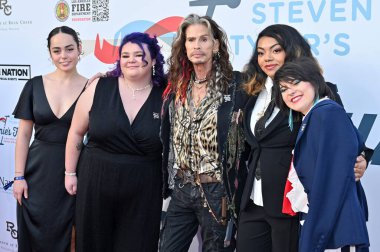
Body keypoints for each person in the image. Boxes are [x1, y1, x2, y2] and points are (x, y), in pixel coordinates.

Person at [236, 24, 371, 252]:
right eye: (261, 52)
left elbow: (344, 138)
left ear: (291, 50)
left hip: (289, 205)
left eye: (275, 50)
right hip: (252, 201)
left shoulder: (315, 90)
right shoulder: (251, 93)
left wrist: (362, 159)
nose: (267, 57)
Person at [64, 32, 166, 252]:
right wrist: (70, 173)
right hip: (95, 181)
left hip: (144, 188)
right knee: (93, 242)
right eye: (125, 55)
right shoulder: (99, 87)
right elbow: (75, 132)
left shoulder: (167, 96)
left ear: (154, 59)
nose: (131, 59)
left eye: (139, 55)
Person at [159, 14, 247, 252]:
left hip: (217, 191)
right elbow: (136, 81)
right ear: (184, 46)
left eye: (204, 39)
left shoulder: (237, 85)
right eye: (191, 40)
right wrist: (108, 77)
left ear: (216, 45)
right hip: (181, 188)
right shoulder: (176, 86)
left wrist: (361, 154)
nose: (197, 45)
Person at [272, 56, 370, 251]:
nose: (290, 91)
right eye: (283, 88)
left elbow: (331, 183)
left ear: (315, 81)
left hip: (335, 230)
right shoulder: (315, 116)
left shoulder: (326, 114)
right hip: (328, 227)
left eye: (296, 82)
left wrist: (313, 239)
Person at [12, 26, 87, 252]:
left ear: (79, 49)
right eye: (57, 51)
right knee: (35, 236)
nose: (63, 56)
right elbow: (24, 135)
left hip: (74, 173)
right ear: (50, 53)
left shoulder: (91, 87)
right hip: (36, 173)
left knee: (71, 237)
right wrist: (18, 177)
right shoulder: (34, 85)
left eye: (69, 49)